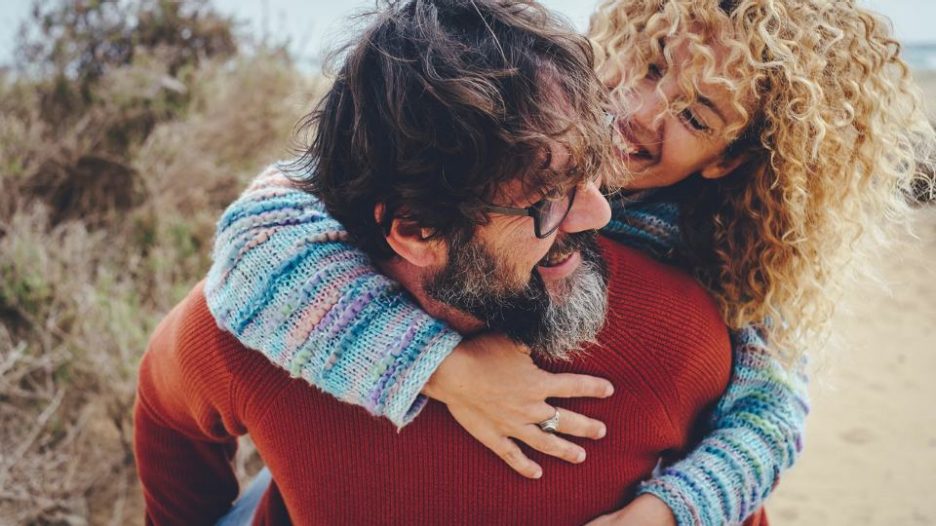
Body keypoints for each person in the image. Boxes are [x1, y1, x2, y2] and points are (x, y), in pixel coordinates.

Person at [204, 0, 935, 524]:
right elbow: (256, 238)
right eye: (649, 64)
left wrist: (666, 511)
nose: (641, 111)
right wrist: (441, 368)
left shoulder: (736, 256)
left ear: (731, 159)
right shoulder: (517, 114)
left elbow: (769, 418)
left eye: (696, 115)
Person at [134, 0, 748, 523]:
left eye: (593, 175)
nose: (599, 216)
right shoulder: (264, 321)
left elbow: (755, 447)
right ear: (417, 231)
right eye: (547, 201)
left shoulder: (678, 335)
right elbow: (166, 414)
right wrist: (434, 366)